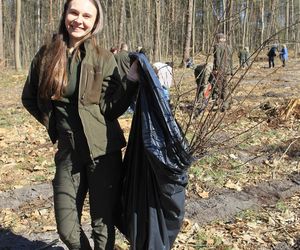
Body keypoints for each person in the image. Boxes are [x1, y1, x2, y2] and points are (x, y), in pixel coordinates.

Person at [21, 0, 139, 249]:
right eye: (74, 12)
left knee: (102, 224)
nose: (79, 20)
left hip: (103, 151)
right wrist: (54, 127)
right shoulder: (46, 56)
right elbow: (30, 97)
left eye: (87, 15)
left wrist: (130, 81)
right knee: (66, 227)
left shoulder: (105, 58)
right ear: (65, 14)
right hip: (68, 153)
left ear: (95, 23)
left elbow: (112, 108)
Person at [212, 33, 233, 111]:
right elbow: (231, 60)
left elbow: (217, 59)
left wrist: (216, 69)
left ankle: (222, 105)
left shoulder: (217, 46)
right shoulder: (229, 47)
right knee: (226, 87)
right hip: (228, 70)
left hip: (220, 70)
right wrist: (231, 71)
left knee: (219, 87)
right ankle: (226, 104)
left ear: (218, 38)